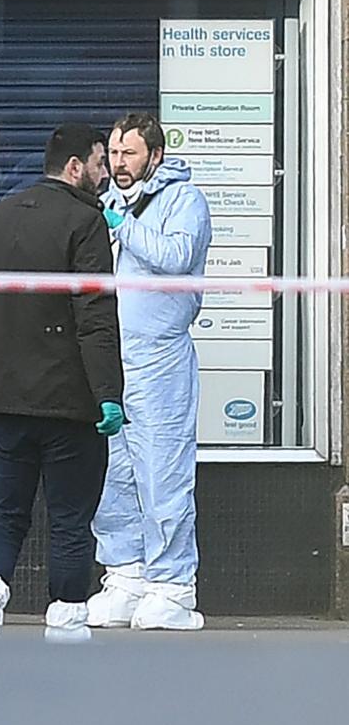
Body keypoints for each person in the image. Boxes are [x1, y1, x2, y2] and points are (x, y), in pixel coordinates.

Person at [0, 123, 125, 643]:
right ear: (75, 168)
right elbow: (94, 313)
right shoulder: (85, 222)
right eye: (98, 163)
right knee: (70, 518)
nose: (104, 173)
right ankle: (67, 623)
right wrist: (108, 394)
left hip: (4, 401)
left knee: (2, 514)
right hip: (70, 403)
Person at [88, 113, 212, 631]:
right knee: (112, 473)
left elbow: (178, 256)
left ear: (154, 156)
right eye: (113, 154)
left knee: (163, 471)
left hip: (160, 357)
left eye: (128, 154)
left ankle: (172, 586)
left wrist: (126, 226)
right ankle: (125, 573)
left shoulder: (184, 201)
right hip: (110, 356)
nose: (118, 164)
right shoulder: (105, 201)